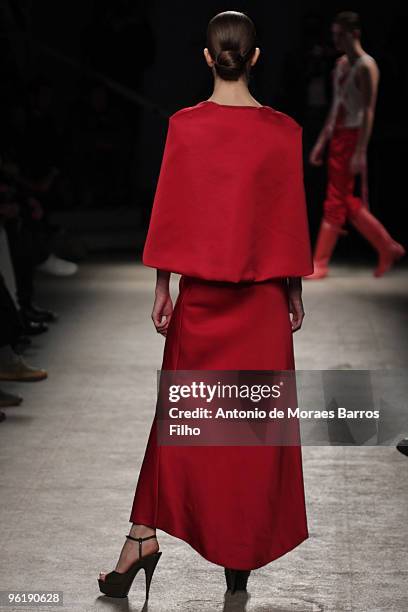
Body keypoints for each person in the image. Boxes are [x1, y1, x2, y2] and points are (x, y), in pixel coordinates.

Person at [98, 11, 314, 600]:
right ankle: (234, 559)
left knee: (182, 421)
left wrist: (162, 287)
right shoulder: (283, 132)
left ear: (206, 58)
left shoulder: (185, 127)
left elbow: (172, 210)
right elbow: (287, 218)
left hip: (202, 305)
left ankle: (142, 537)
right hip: (263, 307)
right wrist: (292, 289)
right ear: (256, 58)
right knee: (248, 429)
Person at [305, 11, 405, 280]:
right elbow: (336, 105)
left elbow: (368, 111)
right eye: (334, 34)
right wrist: (321, 142)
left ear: (354, 34)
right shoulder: (340, 65)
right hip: (338, 135)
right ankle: (387, 246)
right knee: (345, 201)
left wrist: (360, 149)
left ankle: (321, 262)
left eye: (340, 35)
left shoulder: (366, 66)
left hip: (352, 136)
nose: (336, 39)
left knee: (337, 200)